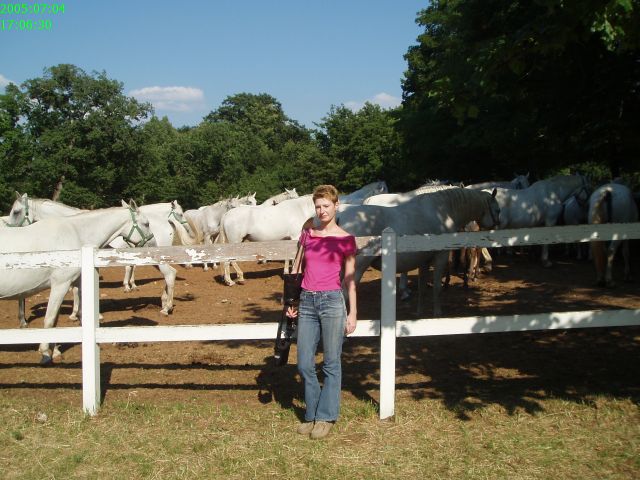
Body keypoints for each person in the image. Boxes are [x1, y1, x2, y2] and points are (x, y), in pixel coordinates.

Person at [286, 184, 357, 440]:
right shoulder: (308, 234)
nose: (322, 210)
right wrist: (292, 301)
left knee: (331, 362)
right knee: (304, 363)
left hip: (332, 302)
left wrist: (353, 312)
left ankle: (325, 416)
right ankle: (313, 413)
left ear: (336, 206)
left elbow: (349, 279)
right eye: (318, 206)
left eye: (326, 205)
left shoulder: (346, 239)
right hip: (306, 301)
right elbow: (296, 269)